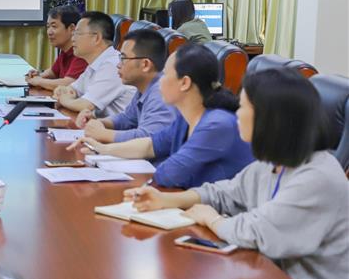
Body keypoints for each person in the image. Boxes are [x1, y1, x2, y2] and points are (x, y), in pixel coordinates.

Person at [124, 69, 347, 279]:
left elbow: (258, 232)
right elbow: (225, 193)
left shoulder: (317, 177)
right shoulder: (271, 165)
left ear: (268, 118)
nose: (237, 114)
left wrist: (212, 219)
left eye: (243, 106)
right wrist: (166, 200)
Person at [69, 44, 254, 188]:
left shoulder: (216, 124)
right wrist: (101, 149)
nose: (159, 81)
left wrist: (157, 162)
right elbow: (150, 145)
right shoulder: (186, 119)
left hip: (221, 216)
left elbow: (169, 174)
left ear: (185, 83)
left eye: (165, 75)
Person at [75, 29, 176, 143]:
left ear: (145, 64)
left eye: (123, 59)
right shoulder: (144, 88)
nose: (118, 65)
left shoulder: (161, 93)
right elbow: (127, 119)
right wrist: (99, 122)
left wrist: (103, 134)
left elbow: (148, 139)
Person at [53, 11, 135, 116]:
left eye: (77, 34)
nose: (72, 39)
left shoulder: (113, 65)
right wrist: (63, 91)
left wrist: (63, 100)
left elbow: (85, 105)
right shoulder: (96, 63)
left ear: (96, 38)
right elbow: (73, 89)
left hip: (119, 126)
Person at [24, 5, 88, 90]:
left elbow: (69, 84)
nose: (49, 32)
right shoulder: (65, 50)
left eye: (54, 26)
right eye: (48, 27)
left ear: (72, 28)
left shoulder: (82, 52)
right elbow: (53, 72)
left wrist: (39, 81)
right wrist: (37, 75)